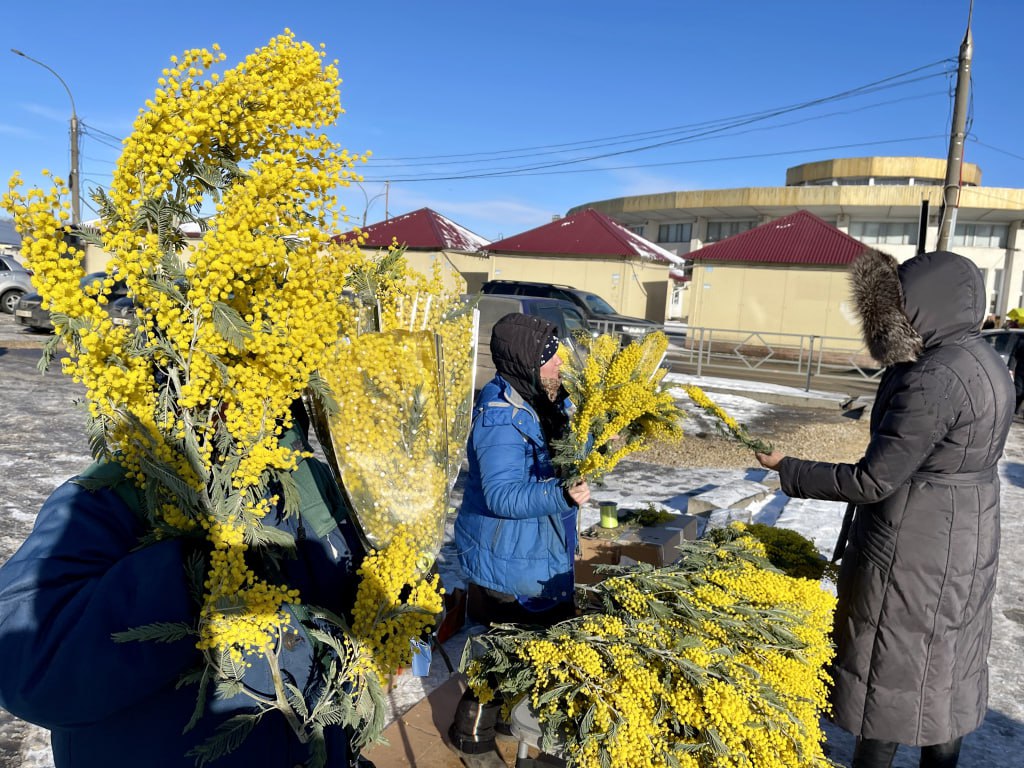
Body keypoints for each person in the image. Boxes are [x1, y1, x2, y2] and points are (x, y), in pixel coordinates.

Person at [0, 400, 371, 768]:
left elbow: (345, 588)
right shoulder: (115, 493)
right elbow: (27, 666)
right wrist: (191, 575)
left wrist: (394, 591)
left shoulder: (308, 480)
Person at [755, 249, 1013, 768]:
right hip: (965, 533)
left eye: (896, 307)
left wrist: (789, 470)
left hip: (915, 546)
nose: (886, 321)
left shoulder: (934, 376)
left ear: (922, 306)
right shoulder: (982, 359)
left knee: (889, 676)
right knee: (944, 671)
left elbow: (874, 479)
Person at [449, 312, 590, 764]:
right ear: (525, 362)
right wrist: (561, 494)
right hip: (504, 560)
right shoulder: (499, 417)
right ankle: (470, 738)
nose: (559, 365)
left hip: (542, 553)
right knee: (494, 658)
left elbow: (568, 454)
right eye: (550, 359)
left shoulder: (550, 400)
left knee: (535, 650)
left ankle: (514, 715)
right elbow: (502, 494)